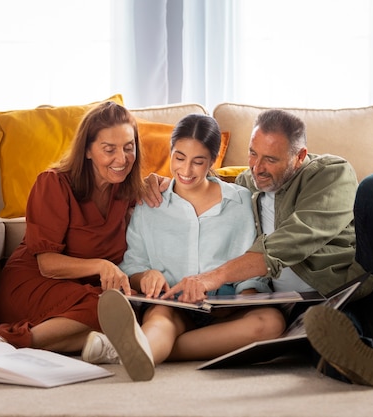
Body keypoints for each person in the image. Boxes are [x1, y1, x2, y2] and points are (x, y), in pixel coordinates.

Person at [144, 109, 373, 388]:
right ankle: (354, 354)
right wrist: (162, 182)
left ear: (299, 156)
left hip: (358, 290)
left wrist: (214, 277)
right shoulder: (245, 185)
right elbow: (201, 181)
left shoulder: (330, 173)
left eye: (271, 160)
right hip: (310, 312)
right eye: (253, 154)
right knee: (324, 336)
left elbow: (295, 238)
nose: (257, 168)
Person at [92, 114, 286, 381]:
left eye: (198, 162)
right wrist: (146, 275)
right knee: (160, 319)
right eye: (179, 157)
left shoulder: (240, 201)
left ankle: (131, 350)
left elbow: (250, 263)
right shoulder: (151, 202)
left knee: (272, 323)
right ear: (170, 153)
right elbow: (133, 264)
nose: (185, 170)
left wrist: (248, 294)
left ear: (213, 161)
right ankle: (146, 349)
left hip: (224, 309)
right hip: (172, 306)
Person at [0, 101, 144, 357]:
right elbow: (47, 264)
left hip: (81, 292)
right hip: (35, 282)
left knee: (133, 306)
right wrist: (102, 265)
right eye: (109, 149)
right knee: (110, 307)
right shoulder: (54, 183)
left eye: (128, 147)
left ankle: (95, 342)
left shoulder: (128, 190)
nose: (122, 159)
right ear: (88, 150)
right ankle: (8, 342)